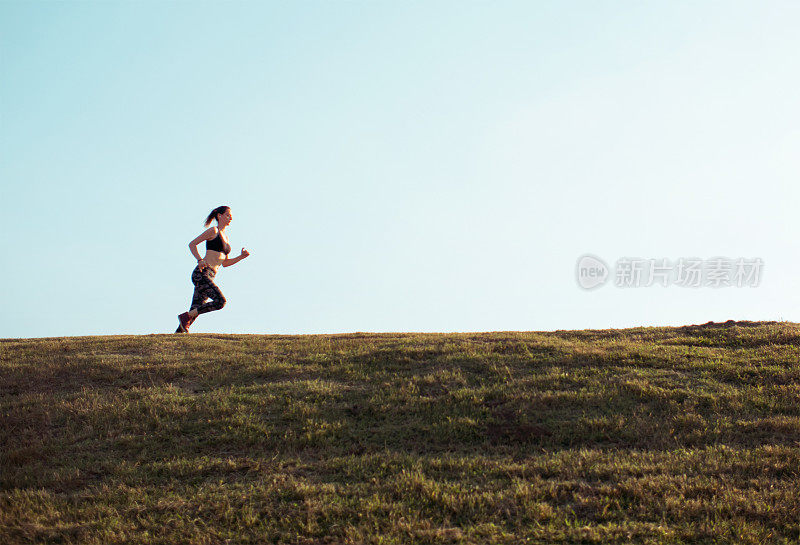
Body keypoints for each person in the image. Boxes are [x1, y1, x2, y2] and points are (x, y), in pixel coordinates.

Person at [176, 205, 250, 333]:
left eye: (231, 216)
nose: (230, 217)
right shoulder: (213, 231)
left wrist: (241, 257)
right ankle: (186, 316)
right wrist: (200, 259)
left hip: (211, 275)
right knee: (220, 301)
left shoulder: (226, 238)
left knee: (196, 309)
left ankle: (179, 332)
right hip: (202, 273)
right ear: (219, 216)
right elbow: (192, 244)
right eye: (227, 215)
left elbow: (225, 263)